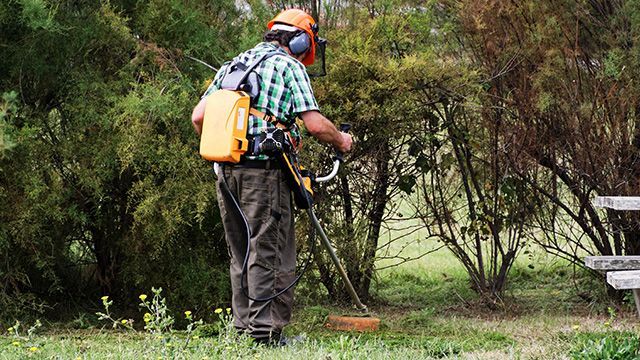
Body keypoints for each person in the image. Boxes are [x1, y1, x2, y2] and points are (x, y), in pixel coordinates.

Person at [191, 9, 352, 345]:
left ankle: (242, 330)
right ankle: (264, 335)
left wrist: (233, 145)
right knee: (268, 252)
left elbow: (199, 117)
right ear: (298, 40)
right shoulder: (288, 66)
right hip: (263, 174)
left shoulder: (235, 64)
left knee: (241, 253)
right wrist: (342, 140)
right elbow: (315, 125)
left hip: (226, 170)